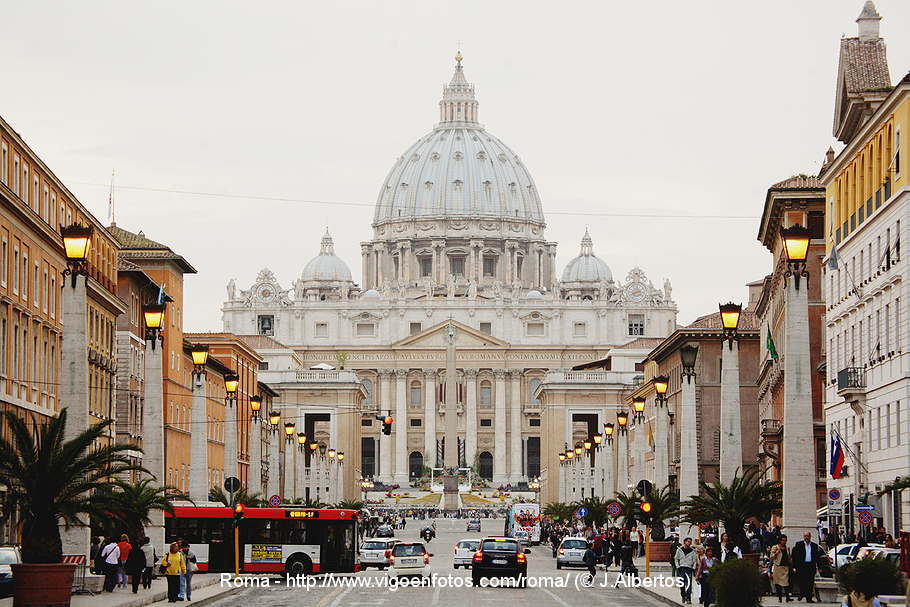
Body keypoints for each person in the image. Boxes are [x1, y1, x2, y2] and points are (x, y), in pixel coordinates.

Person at [791, 531, 822, 603]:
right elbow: (795, 556)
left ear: (810, 537)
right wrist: (794, 566)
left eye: (808, 536)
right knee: (802, 581)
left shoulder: (814, 546)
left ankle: (809, 598)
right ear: (803, 537)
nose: (806, 537)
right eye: (805, 536)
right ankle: (802, 593)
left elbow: (817, 557)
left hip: (811, 566)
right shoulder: (799, 544)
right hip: (802, 566)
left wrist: (819, 567)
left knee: (810, 582)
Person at [769, 534, 792, 602]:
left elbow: (789, 557)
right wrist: (776, 553)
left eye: (785, 540)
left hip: (785, 567)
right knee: (778, 583)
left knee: (786, 583)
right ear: (780, 540)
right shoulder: (775, 547)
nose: (784, 542)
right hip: (778, 567)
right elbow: (771, 557)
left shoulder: (787, 548)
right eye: (783, 540)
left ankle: (787, 597)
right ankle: (780, 597)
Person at [675, 537, 697, 605]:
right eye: (688, 541)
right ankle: (683, 595)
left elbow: (695, 561)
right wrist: (678, 566)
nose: (689, 543)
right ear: (684, 542)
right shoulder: (679, 550)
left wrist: (693, 567)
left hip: (689, 569)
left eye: (690, 541)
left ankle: (688, 598)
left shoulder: (693, 551)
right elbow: (676, 559)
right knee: (682, 584)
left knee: (689, 584)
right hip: (681, 569)